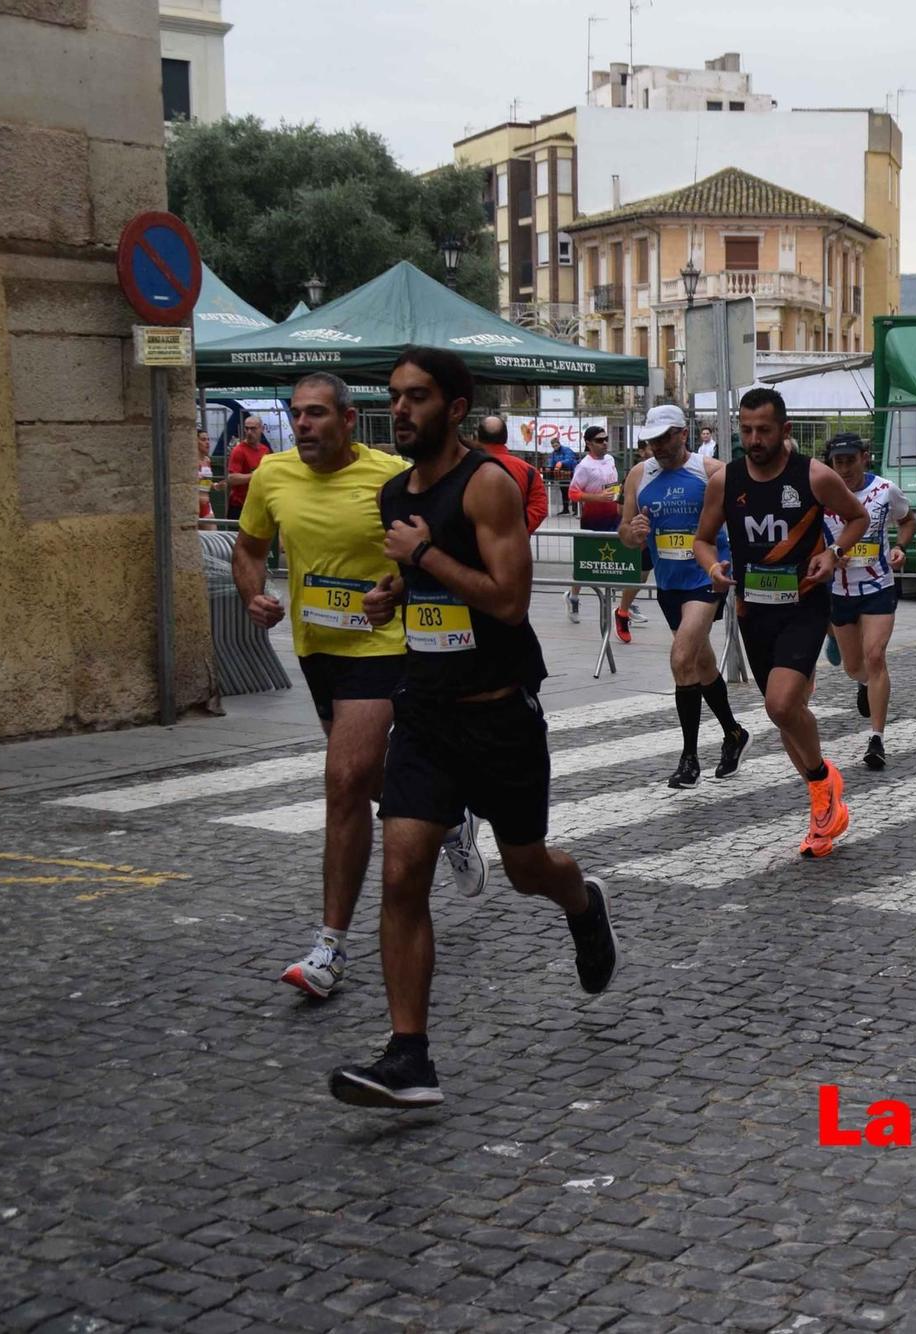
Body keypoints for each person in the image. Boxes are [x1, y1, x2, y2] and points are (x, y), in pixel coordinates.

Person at [331, 346, 619, 1109]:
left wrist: (423, 553)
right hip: (425, 713)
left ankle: (582, 904)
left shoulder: (487, 486)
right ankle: (409, 1056)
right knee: (401, 873)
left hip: (499, 714)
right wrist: (394, 591)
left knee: (528, 868)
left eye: (417, 397)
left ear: (455, 408)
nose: (400, 410)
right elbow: (431, 581)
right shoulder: (395, 494)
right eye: (393, 396)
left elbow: (508, 601)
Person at [232, 373, 418, 1000]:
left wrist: (393, 591)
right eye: (295, 414)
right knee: (366, 780)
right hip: (318, 651)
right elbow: (250, 546)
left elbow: (427, 553)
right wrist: (253, 594)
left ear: (346, 417)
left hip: (381, 646)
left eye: (315, 414)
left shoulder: (390, 476)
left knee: (342, 783)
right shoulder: (271, 475)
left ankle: (329, 949)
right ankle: (446, 817)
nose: (302, 424)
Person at [694, 386, 869, 858]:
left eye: (763, 430)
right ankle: (822, 803)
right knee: (782, 714)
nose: (754, 439)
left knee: (782, 701)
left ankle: (822, 781)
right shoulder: (724, 482)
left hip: (804, 605)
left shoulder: (813, 475)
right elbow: (703, 540)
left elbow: (858, 517)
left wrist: (833, 554)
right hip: (753, 610)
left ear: (785, 430)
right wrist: (712, 566)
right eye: (746, 430)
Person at [619, 406, 750, 788]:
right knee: (702, 664)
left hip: (706, 578)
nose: (657, 446)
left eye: (664, 438)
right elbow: (624, 533)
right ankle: (734, 733)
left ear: (682, 434)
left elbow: (745, 520)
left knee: (680, 658)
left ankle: (689, 758)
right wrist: (635, 533)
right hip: (670, 583)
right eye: (651, 440)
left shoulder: (713, 472)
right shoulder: (638, 476)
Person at [822, 433, 915, 770]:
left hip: (878, 586)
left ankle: (876, 738)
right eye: (838, 462)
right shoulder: (822, 492)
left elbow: (907, 520)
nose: (844, 468)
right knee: (853, 666)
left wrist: (900, 547)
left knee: (875, 656)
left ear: (864, 457)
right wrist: (830, 554)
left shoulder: (884, 491)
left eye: (850, 460)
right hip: (840, 591)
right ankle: (862, 683)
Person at [568, 425, 622, 624]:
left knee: (616, 557)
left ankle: (621, 604)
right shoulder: (584, 466)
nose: (605, 443)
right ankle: (573, 597)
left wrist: (618, 499)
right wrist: (597, 497)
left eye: (606, 439)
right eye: (599, 440)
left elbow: (613, 486)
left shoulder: (610, 459)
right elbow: (573, 493)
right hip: (592, 519)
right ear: (589, 443)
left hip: (613, 516)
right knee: (586, 561)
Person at [612, 434, 659, 641]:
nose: (658, 449)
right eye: (652, 445)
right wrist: (634, 524)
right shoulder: (635, 475)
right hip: (644, 536)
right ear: (641, 451)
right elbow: (621, 507)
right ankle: (622, 612)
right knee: (640, 576)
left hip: (672, 537)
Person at [475, 416, 549, 534]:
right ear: (506, 437)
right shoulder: (528, 470)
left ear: (478, 438)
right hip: (515, 545)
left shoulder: (464, 467)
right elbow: (539, 508)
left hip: (471, 544)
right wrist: (518, 530)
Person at [225, 414, 270, 520]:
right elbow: (232, 478)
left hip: (258, 505)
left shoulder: (265, 450)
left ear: (261, 429)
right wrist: (255, 475)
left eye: (253, 428)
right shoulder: (239, 450)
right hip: (240, 507)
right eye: (247, 428)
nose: (249, 432)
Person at [546, 440, 579, 515]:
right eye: (553, 446)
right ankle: (565, 509)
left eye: (556, 445)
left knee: (573, 491)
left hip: (572, 472)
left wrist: (561, 462)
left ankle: (576, 510)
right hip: (562, 474)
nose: (555, 447)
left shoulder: (567, 450)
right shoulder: (554, 453)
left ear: (559, 444)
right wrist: (549, 467)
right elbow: (551, 462)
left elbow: (570, 460)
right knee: (563, 491)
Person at [195, 429, 216, 529]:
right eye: (203, 440)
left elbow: (206, 482)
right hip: (195, 504)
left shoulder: (207, 460)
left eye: (208, 439)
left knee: (213, 533)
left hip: (206, 504)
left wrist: (215, 485)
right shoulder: (191, 460)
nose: (207, 442)